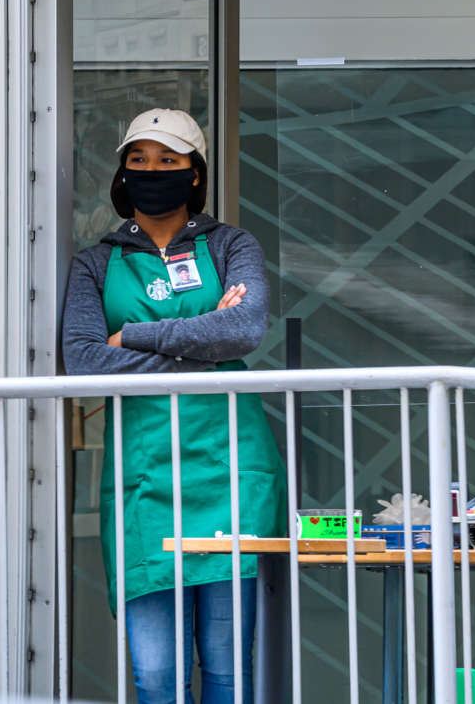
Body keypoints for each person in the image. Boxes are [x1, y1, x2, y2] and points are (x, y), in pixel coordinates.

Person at [62, 107, 287, 704]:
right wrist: (202, 333)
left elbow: (242, 332)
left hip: (230, 468)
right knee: (155, 676)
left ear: (194, 173)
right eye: (139, 160)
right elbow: (84, 359)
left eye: (168, 160)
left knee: (227, 668)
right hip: (143, 479)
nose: (151, 170)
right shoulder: (94, 262)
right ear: (122, 172)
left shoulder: (231, 244)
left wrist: (133, 335)